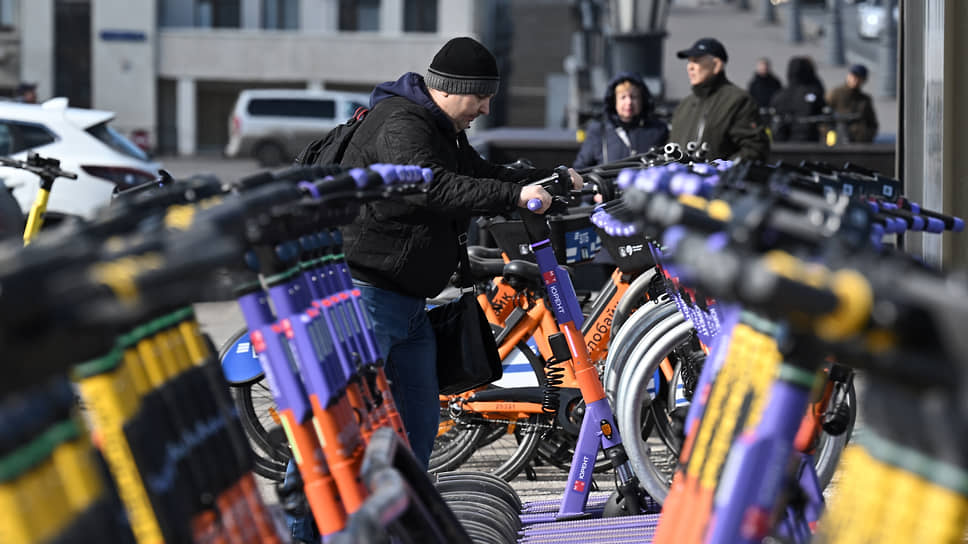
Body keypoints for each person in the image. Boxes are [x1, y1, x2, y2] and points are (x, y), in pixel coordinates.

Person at [338, 37, 582, 469]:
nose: (486, 109)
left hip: (410, 303)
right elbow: (430, 186)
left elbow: (480, 174)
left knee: (419, 423)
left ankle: (405, 524)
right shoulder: (401, 124)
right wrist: (515, 195)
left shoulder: (443, 130)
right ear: (448, 88)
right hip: (368, 296)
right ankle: (302, 532)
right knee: (345, 426)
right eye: (481, 96)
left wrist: (550, 178)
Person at [668, 37, 769, 162]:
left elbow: (755, 148)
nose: (690, 67)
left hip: (717, 180)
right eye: (689, 62)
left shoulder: (738, 100)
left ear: (716, 65)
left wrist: (723, 171)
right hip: (680, 180)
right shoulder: (684, 105)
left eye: (696, 61)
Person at [573, 72, 668, 169]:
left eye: (634, 97)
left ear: (642, 100)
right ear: (614, 101)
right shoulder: (599, 131)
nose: (629, 102)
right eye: (623, 97)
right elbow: (580, 168)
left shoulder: (658, 130)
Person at [769, 56, 827, 143]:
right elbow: (824, 112)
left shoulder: (780, 96)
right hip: (809, 143)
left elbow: (775, 119)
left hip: (784, 147)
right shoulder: (812, 93)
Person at [826, 64, 879, 143]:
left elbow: (872, 123)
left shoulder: (865, 99)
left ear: (863, 80)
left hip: (858, 143)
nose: (855, 79)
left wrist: (866, 136)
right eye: (853, 76)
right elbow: (823, 117)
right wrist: (830, 136)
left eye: (858, 77)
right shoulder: (836, 94)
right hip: (837, 141)